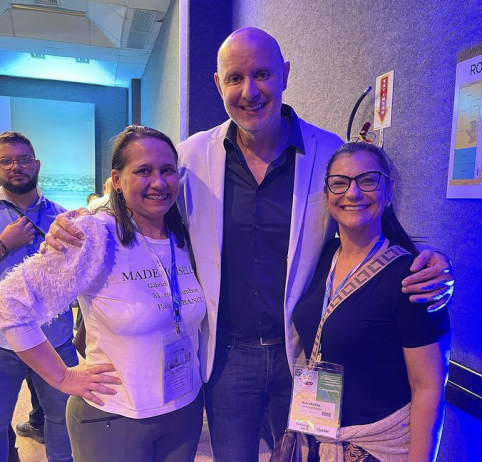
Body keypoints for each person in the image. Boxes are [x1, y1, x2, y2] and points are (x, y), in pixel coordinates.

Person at [44, 28, 454, 462]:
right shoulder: (192, 156)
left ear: (285, 75)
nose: (250, 91)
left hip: (301, 353)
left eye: (262, 74)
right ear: (218, 84)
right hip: (227, 356)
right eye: (235, 78)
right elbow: (141, 195)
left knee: (303, 454)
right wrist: (77, 222)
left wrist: (432, 261)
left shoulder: (327, 151)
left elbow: (364, 216)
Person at [0, 126, 206, 462]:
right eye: (143, 171)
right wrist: (62, 376)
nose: (159, 182)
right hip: (116, 414)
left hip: (184, 408)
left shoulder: (184, 234)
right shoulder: (93, 233)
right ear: (117, 180)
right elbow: (10, 304)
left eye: (167, 170)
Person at [292, 142, 450, 461]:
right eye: (340, 182)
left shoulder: (414, 278)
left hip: (377, 448)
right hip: (319, 437)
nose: (353, 193)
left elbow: (429, 386)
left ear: (388, 191)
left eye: (367, 180)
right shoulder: (322, 257)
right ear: (327, 194)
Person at [0, 131, 77, 462]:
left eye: (24, 159)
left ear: (37, 165)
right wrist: (4, 244)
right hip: (3, 343)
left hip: (56, 339)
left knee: (65, 421)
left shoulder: (63, 217)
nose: (15, 166)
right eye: (6, 161)